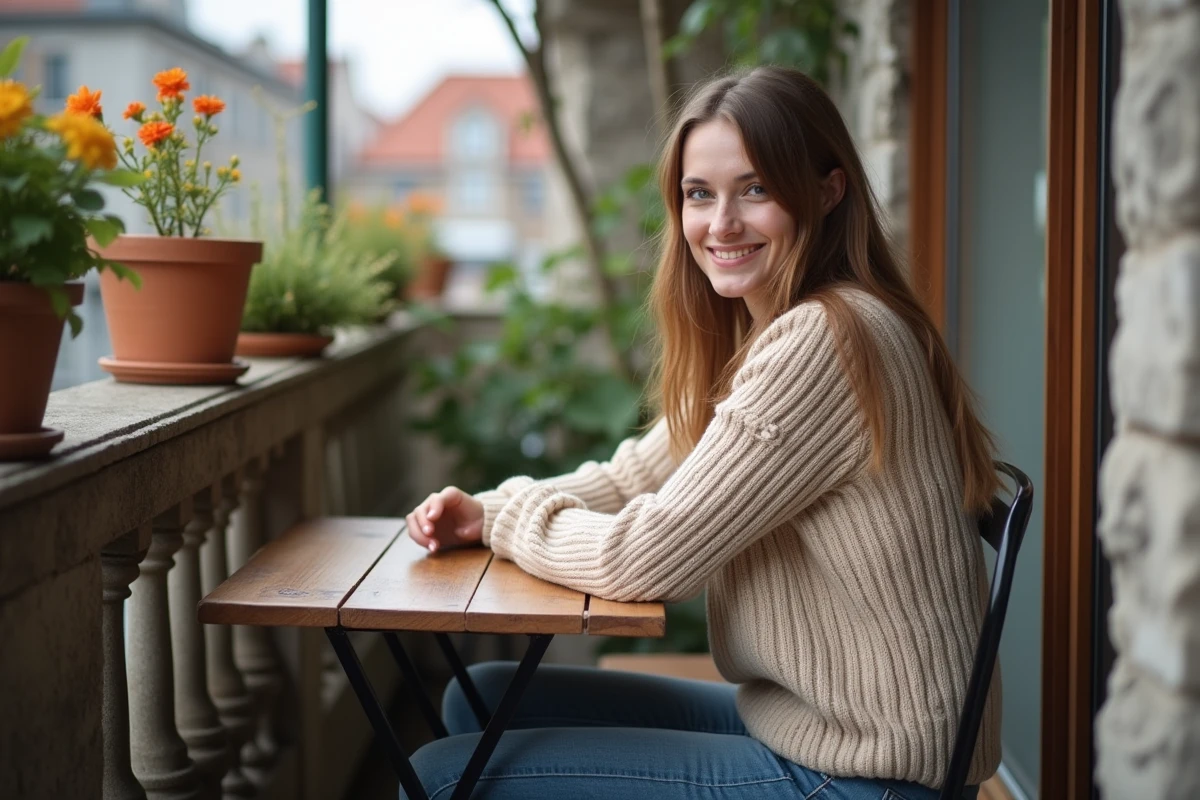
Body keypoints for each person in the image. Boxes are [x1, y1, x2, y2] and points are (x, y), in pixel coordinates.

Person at [403, 65, 999, 800]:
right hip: (815, 723)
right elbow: (637, 477)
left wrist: (511, 516)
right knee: (485, 695)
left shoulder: (826, 340)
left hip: (866, 773)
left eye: (755, 189)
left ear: (827, 190)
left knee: (440, 778)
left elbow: (645, 560)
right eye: (699, 195)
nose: (720, 224)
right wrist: (483, 511)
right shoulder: (782, 329)